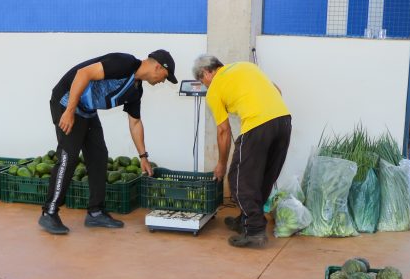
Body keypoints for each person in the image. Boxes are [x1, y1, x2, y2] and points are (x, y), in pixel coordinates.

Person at [39, 50, 178, 234]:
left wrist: (143, 156)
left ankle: (95, 213)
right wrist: (70, 111)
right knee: (68, 156)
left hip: (87, 111)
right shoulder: (124, 62)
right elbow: (83, 73)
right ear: (158, 66)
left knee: (98, 156)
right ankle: (49, 213)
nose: (162, 81)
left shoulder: (136, 90)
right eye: (165, 77)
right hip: (66, 102)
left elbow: (135, 122)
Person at [193, 54, 292, 248]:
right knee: (263, 177)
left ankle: (254, 231)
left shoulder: (214, 89)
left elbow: (223, 131)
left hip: (257, 125)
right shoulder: (246, 66)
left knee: (239, 179)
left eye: (201, 80)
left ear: (206, 72)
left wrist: (221, 164)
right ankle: (244, 221)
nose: (204, 85)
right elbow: (277, 90)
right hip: (284, 121)